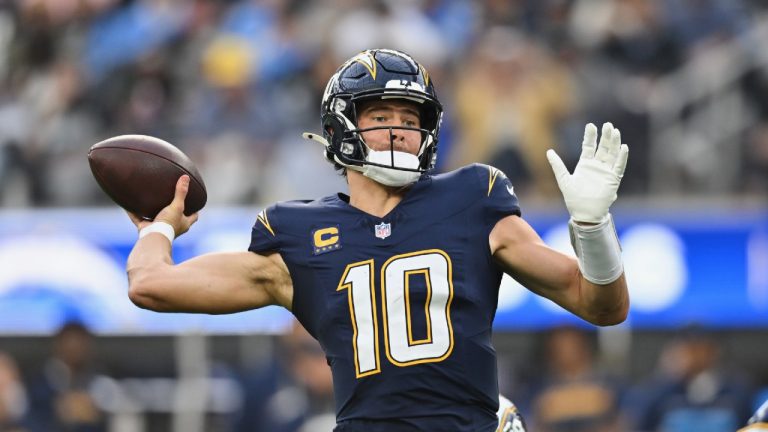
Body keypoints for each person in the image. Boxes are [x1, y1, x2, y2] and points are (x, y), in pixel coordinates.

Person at [125, 48, 629, 431]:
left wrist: (592, 228)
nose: (399, 132)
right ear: (341, 125)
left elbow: (602, 306)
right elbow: (150, 284)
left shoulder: (474, 198)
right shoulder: (296, 234)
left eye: (411, 120)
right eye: (381, 117)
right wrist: (159, 228)